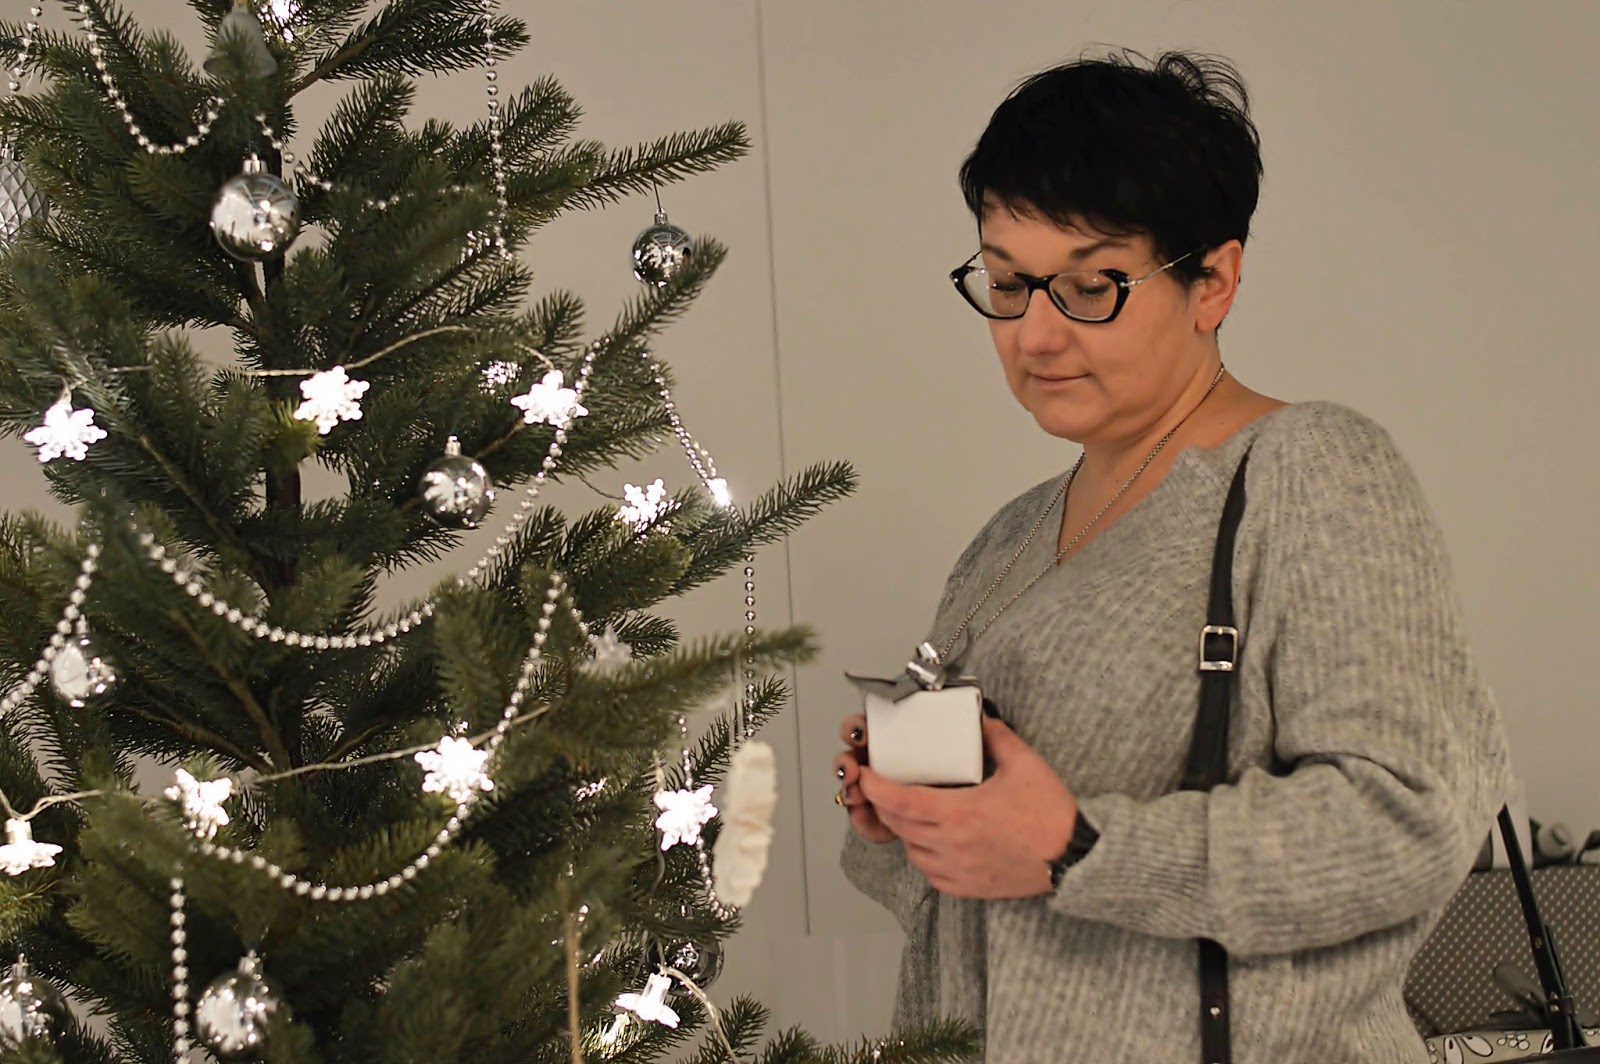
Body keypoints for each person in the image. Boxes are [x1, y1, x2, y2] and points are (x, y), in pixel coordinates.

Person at [835, 49, 1511, 1063]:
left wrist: (1080, 846)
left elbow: (1410, 822)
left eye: (1091, 286)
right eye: (1009, 283)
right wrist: (901, 816)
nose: (1035, 334)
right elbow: (978, 907)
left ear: (1214, 281)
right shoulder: (1007, 537)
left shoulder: (1310, 471)